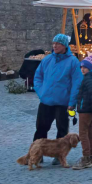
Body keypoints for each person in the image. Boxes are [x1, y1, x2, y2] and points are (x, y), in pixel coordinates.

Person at [33, 34, 83, 164]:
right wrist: (41, 92)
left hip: (63, 102)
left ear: (64, 46)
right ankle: (37, 154)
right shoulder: (47, 59)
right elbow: (38, 76)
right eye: (54, 43)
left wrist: (72, 103)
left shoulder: (73, 62)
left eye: (58, 44)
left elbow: (77, 84)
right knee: (41, 129)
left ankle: (59, 155)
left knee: (62, 130)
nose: (55, 46)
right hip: (46, 101)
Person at [72, 55, 92, 170]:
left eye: (85, 67)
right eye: (81, 67)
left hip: (86, 109)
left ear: (90, 68)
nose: (82, 69)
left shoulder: (88, 78)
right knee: (90, 132)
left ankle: (86, 159)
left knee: (83, 133)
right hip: (89, 109)